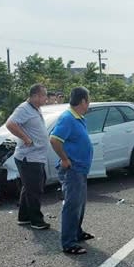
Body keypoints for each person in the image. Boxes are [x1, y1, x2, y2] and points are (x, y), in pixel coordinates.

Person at [49, 87, 94, 255]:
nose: (88, 104)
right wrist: (65, 159)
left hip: (81, 169)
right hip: (72, 169)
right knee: (72, 205)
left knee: (80, 203)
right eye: (88, 100)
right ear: (83, 101)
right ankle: (68, 243)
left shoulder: (79, 118)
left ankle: (77, 232)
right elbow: (54, 139)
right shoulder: (67, 118)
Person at [5, 84, 51, 229]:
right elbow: (10, 124)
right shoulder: (23, 109)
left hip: (36, 156)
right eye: (44, 95)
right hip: (28, 157)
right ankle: (36, 220)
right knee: (34, 189)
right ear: (36, 96)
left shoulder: (35, 108)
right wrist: (26, 138)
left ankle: (24, 216)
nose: (46, 99)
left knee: (31, 186)